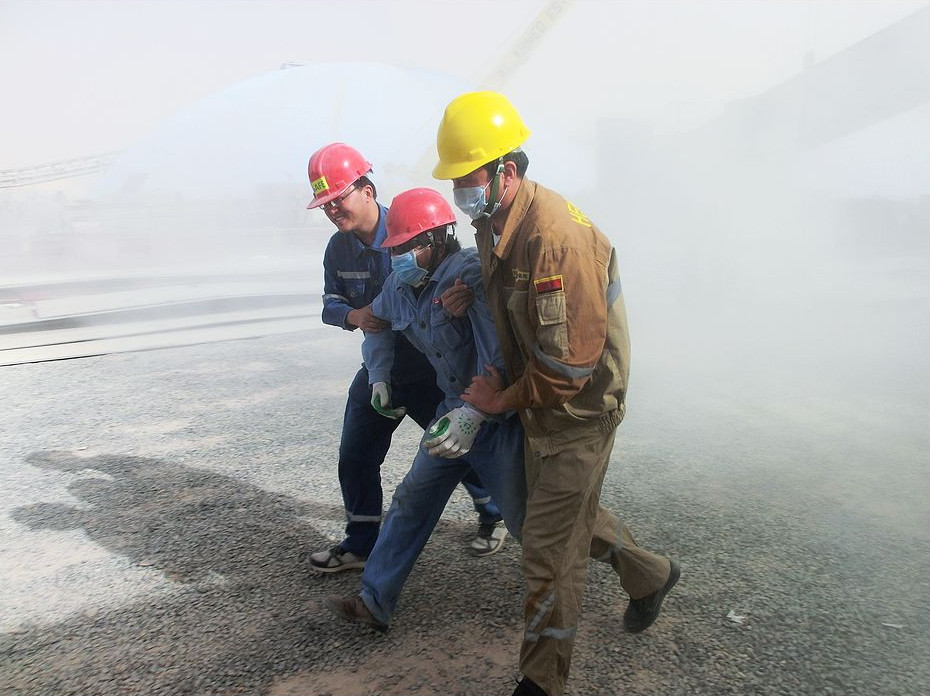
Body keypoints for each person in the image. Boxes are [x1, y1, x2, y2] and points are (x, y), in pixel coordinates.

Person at [432, 92, 680, 696]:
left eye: (468, 178)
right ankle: (650, 575)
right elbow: (515, 318)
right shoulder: (495, 223)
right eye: (455, 180)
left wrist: (495, 401)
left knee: (546, 550)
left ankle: (541, 682)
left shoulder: (556, 241)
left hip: (580, 411)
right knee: (565, 523)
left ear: (506, 171)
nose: (460, 191)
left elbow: (569, 368)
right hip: (539, 406)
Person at [323, 187, 527, 630]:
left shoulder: (468, 276)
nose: (397, 257)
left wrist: (476, 414)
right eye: (394, 248)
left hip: (492, 417)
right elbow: (376, 322)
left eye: (407, 247)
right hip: (449, 412)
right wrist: (379, 375)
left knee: (529, 518)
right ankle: (374, 601)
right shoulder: (401, 285)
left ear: (437, 240)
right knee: (412, 500)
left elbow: (500, 353)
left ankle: (631, 566)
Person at [307, 143, 506, 572]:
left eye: (337, 199)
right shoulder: (338, 250)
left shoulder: (411, 226)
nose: (332, 211)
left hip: (431, 369)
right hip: (380, 365)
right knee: (355, 455)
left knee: (454, 447)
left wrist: (461, 307)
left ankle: (494, 514)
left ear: (366, 190)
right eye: (325, 205)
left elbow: (459, 280)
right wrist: (354, 317)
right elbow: (330, 302)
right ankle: (361, 542)